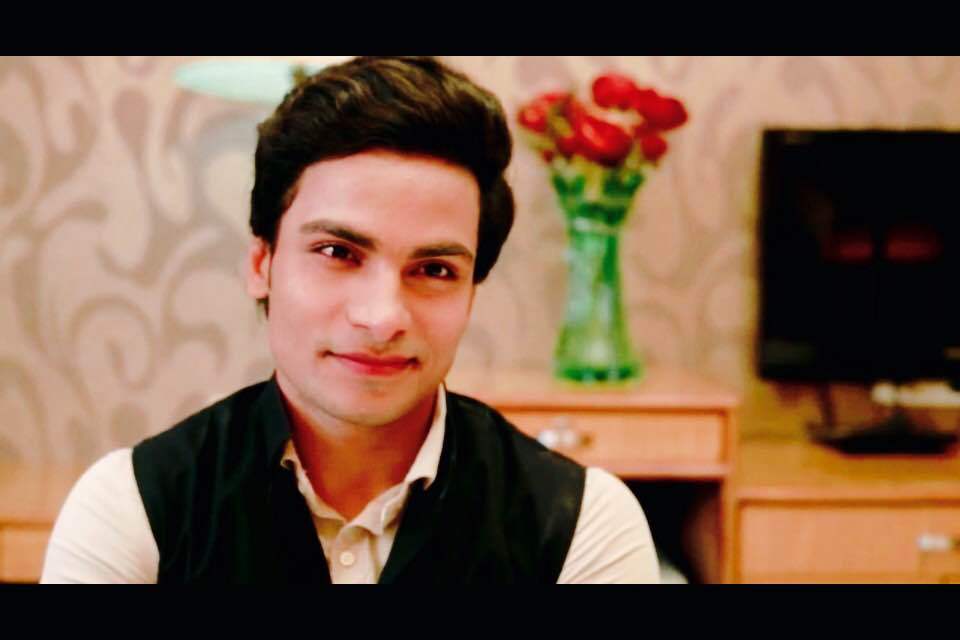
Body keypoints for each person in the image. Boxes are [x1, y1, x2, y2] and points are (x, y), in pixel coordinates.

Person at [41, 56, 659, 584]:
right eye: (338, 252)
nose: (382, 317)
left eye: (435, 269)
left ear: (473, 291)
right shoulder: (130, 510)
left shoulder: (584, 525)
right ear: (261, 263)